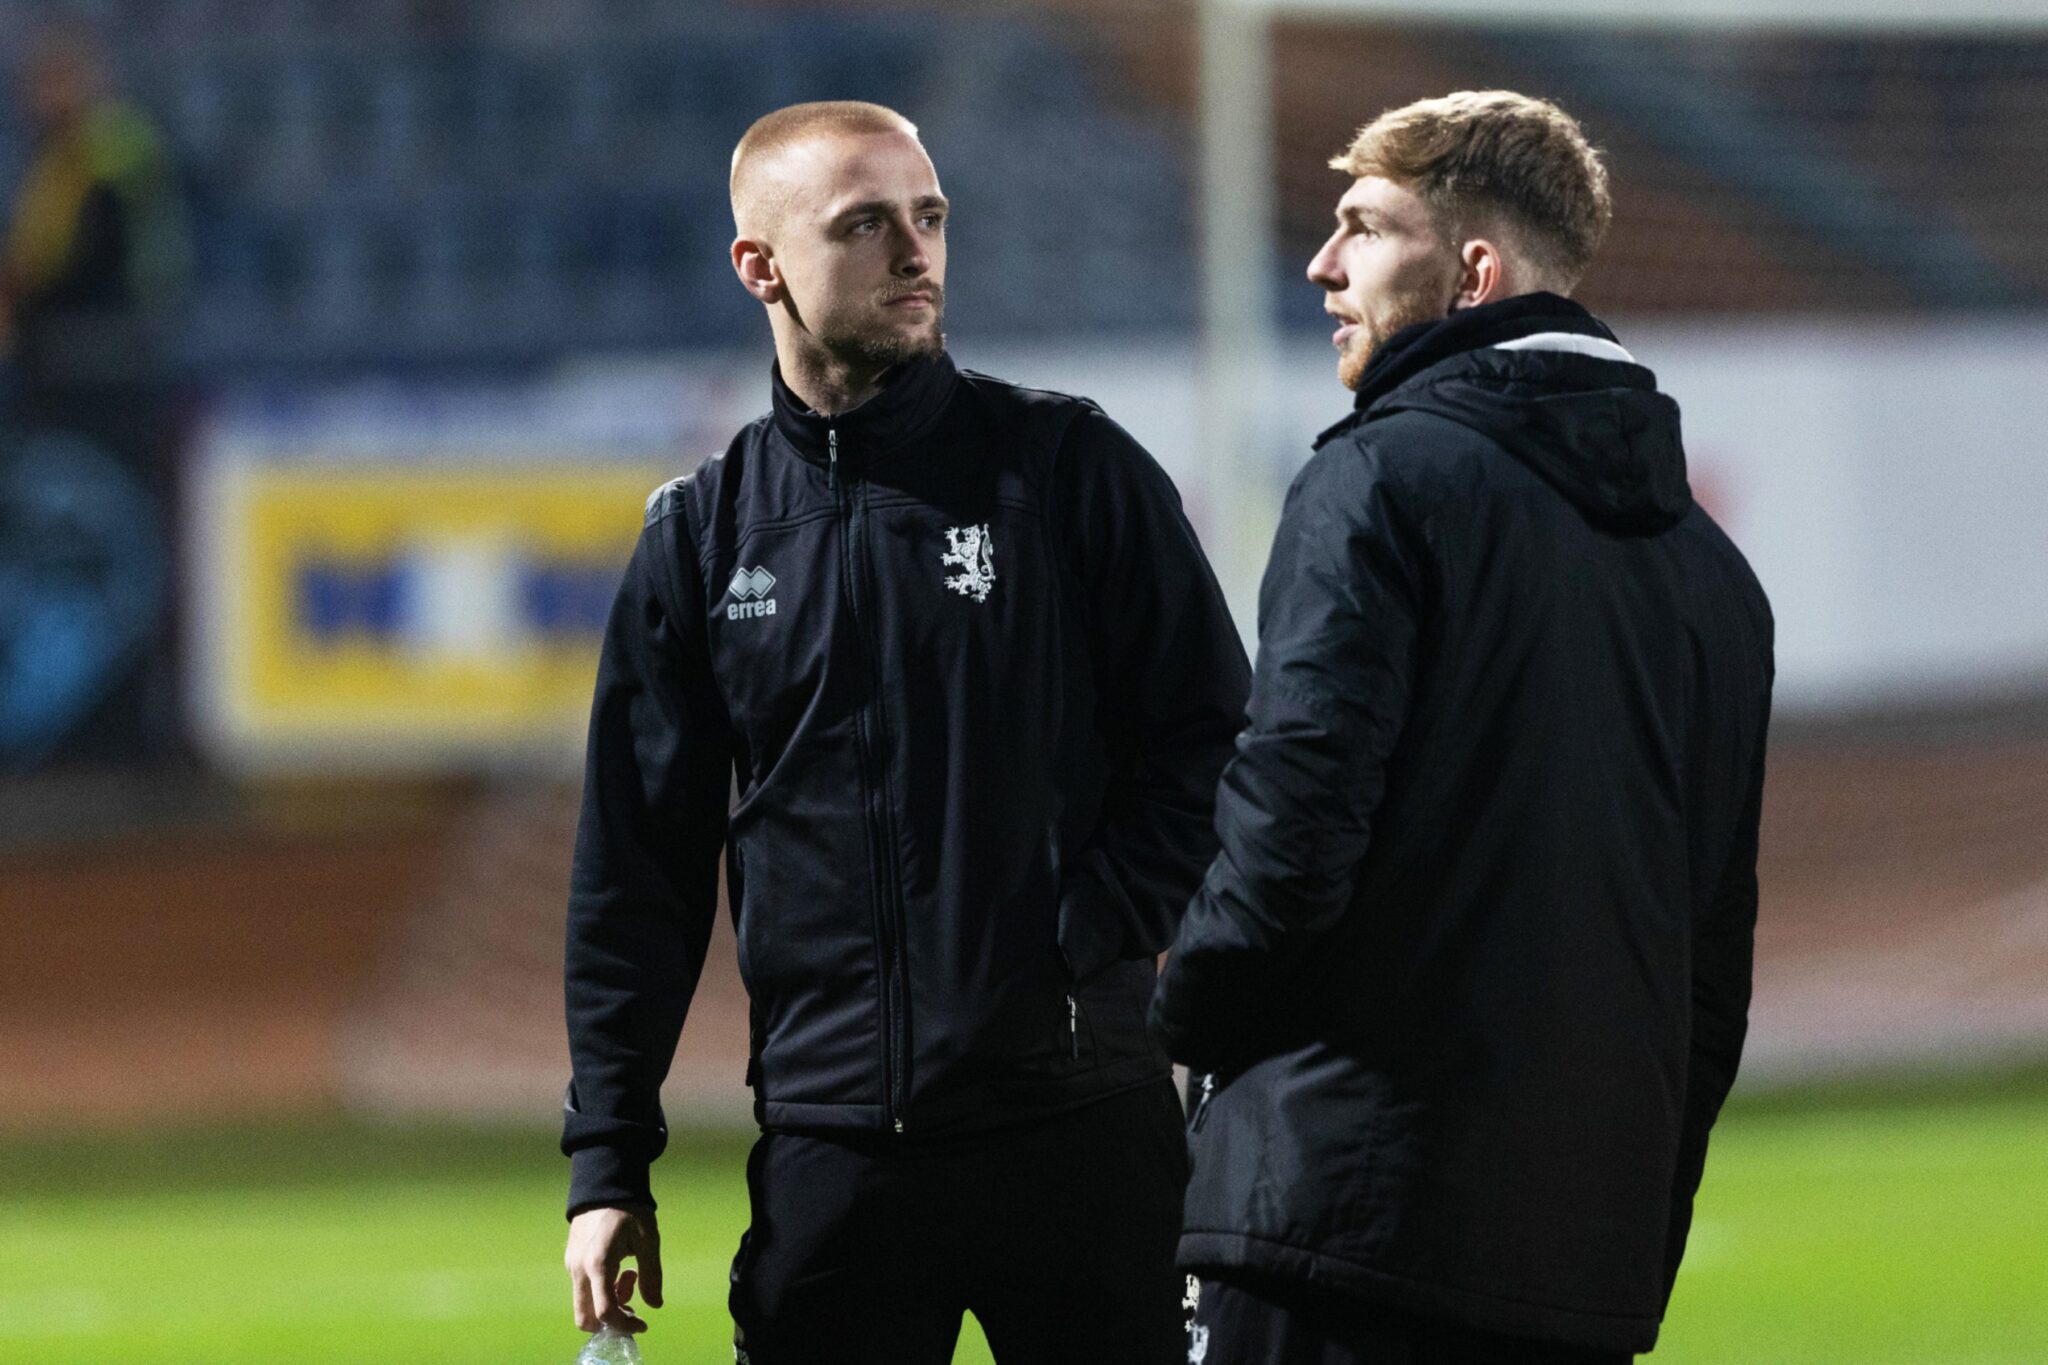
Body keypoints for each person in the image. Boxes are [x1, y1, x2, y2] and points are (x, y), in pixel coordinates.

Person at [560, 100, 1249, 1364]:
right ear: (758, 266)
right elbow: (634, 877)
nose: (913, 251)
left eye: (927, 216)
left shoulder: (1067, 469)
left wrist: (1078, 932)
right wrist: (608, 1163)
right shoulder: (700, 539)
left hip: (1081, 1128)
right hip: (833, 1154)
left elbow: (1214, 744)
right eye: (864, 225)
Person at [1150, 90, 1774, 1364]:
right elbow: (1711, 956)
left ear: (1472, 271)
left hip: (1332, 1220)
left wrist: (1179, 1019)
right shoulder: (1716, 574)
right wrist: (1635, 1220)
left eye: (1362, 228)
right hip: (1581, 1254)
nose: (1322, 264)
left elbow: (1292, 827)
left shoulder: (1373, 475)